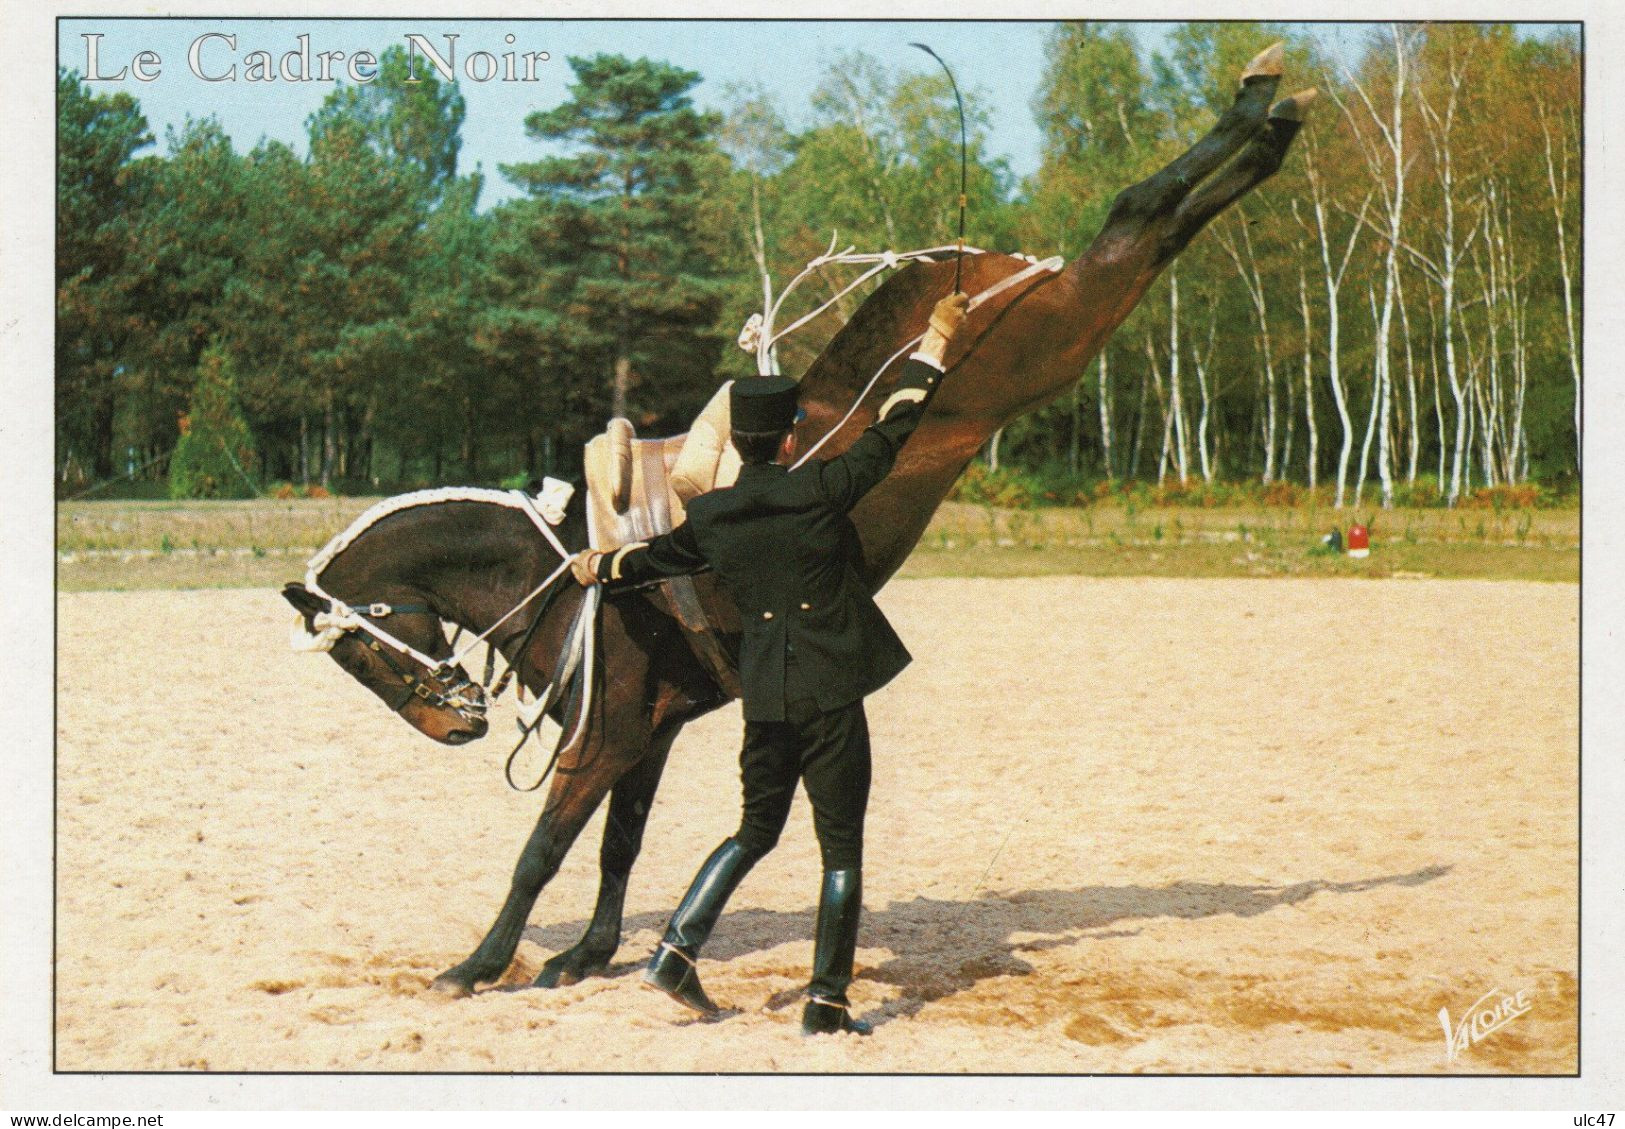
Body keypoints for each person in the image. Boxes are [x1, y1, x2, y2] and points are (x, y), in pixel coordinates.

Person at [571, 291, 969, 1035]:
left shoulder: (714, 516)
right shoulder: (821, 489)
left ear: (739, 445)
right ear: (787, 441)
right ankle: (825, 1003)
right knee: (840, 848)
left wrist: (595, 565)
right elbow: (895, 427)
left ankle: (677, 951)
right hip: (829, 695)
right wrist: (936, 340)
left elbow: (650, 559)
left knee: (754, 829)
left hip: (764, 698)